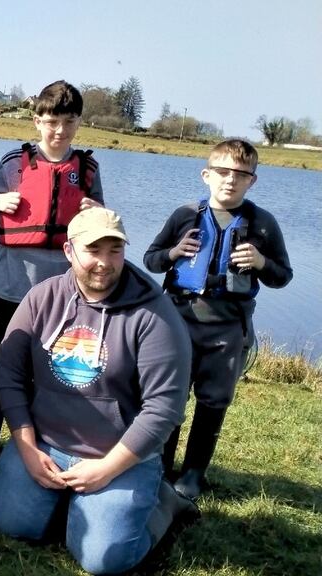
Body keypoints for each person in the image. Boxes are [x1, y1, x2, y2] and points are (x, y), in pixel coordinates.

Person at [0, 208, 197, 575]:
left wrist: (107, 469)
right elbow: (9, 375)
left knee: (104, 560)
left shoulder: (155, 314)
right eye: (93, 250)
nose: (104, 262)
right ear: (69, 251)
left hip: (117, 455)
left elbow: (164, 408)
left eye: (115, 250)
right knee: (9, 524)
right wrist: (27, 447)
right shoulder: (42, 298)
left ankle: (165, 502)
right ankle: (71, 504)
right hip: (46, 444)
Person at [144, 139, 292, 500]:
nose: (230, 180)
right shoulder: (184, 215)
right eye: (223, 172)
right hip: (178, 322)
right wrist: (173, 253)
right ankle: (158, 468)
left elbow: (282, 276)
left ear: (252, 181)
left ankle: (193, 475)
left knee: (214, 401)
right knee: (170, 396)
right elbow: (151, 260)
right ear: (206, 175)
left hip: (228, 328)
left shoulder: (263, 224)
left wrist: (261, 262)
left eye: (241, 174)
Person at [0, 80, 104, 468]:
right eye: (52, 121)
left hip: (63, 295)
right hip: (9, 288)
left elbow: (101, 227)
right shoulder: (14, 163)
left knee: (49, 375)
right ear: (37, 121)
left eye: (68, 122)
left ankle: (36, 450)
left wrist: (94, 211)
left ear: (78, 123)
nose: (59, 130)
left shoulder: (87, 169)